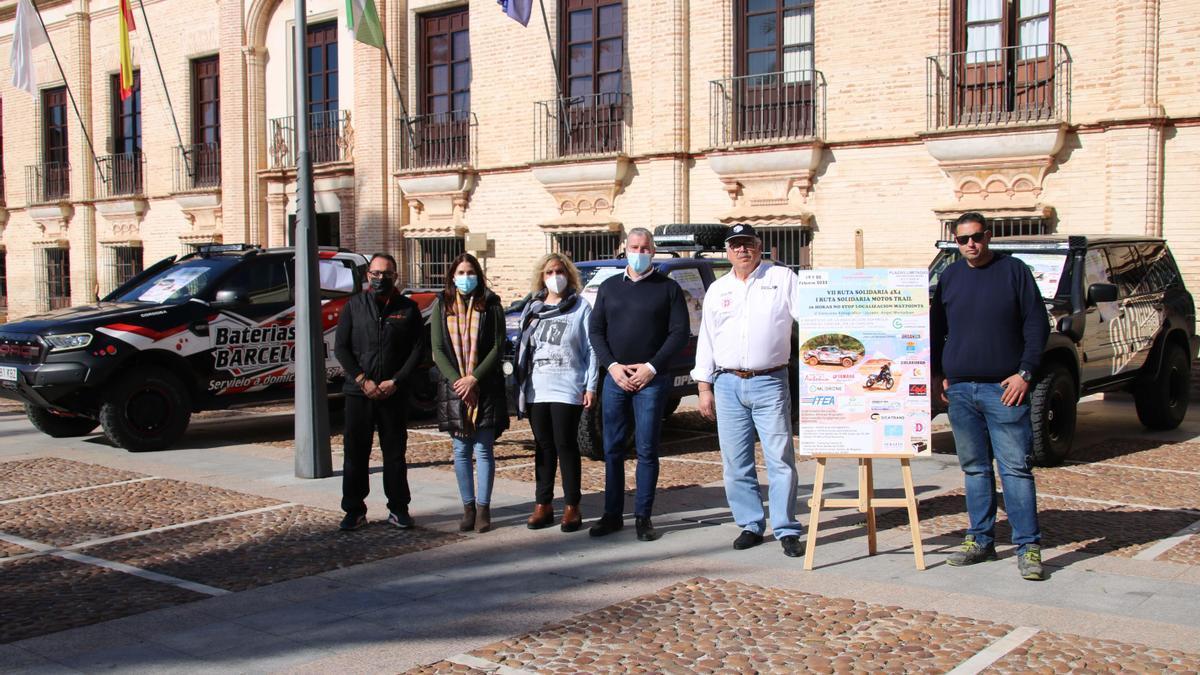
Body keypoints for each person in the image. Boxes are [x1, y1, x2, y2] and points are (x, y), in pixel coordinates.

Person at [931, 211, 1049, 581]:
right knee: (975, 469)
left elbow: (1036, 324)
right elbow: (937, 328)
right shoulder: (950, 276)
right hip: (961, 390)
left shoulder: (1014, 272)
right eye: (963, 239)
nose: (971, 244)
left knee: (1014, 468)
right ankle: (980, 540)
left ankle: (1028, 546)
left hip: (1005, 389)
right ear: (956, 241)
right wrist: (937, 374)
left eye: (977, 237)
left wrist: (1025, 373)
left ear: (989, 236)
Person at [692, 224, 805, 558]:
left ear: (760, 247)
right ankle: (750, 524)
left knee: (779, 458)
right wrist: (703, 385)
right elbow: (707, 339)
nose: (742, 250)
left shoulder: (782, 279)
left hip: (770, 380)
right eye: (736, 245)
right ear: (727, 252)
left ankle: (786, 527)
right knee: (736, 461)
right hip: (727, 383)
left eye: (748, 244)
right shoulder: (718, 289)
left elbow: (808, 317)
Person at [587, 227, 689, 541]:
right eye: (635, 247)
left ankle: (643, 516)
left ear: (653, 251)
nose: (640, 252)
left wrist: (651, 367)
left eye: (646, 248)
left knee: (646, 449)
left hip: (652, 380)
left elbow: (679, 333)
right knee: (612, 448)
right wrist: (612, 367)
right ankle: (612, 513)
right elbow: (596, 332)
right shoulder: (608, 288)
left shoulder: (668, 288)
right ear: (625, 248)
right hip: (616, 378)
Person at [333, 253, 424, 531]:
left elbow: (418, 351)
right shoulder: (354, 306)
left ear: (395, 276)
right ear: (367, 275)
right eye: (375, 273)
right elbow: (341, 348)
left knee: (394, 454)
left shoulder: (408, 309)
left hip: (393, 394)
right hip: (359, 393)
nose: (379, 278)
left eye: (386, 274)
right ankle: (354, 510)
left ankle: (398, 508)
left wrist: (395, 381)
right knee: (356, 454)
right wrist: (362, 379)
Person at [514, 253, 597, 532]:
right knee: (543, 446)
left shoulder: (580, 307)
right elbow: (524, 350)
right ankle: (543, 504)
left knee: (565, 444)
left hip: (568, 384)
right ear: (541, 276)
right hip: (538, 386)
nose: (554, 277)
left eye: (559, 271)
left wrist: (591, 385)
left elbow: (591, 349)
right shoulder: (532, 309)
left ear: (569, 274)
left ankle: (572, 505)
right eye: (549, 272)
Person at [431, 253, 510, 533]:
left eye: (470, 272)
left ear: (478, 274)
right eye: (461, 272)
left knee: (484, 449)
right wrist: (459, 381)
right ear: (452, 276)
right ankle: (468, 507)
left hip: (485, 386)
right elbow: (437, 350)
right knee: (461, 450)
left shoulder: (491, 304)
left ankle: (484, 509)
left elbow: (497, 347)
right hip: (454, 389)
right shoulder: (442, 305)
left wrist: (474, 378)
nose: (466, 277)